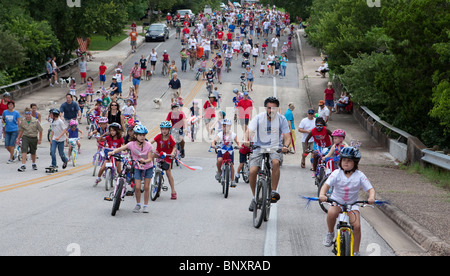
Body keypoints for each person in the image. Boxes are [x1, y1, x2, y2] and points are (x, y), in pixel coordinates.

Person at [319, 147, 376, 256]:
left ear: (355, 163)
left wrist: (371, 197)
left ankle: (356, 252)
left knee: (357, 226)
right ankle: (330, 233)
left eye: (349, 160)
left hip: (352, 205)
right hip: (337, 202)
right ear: (340, 161)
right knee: (331, 213)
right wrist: (322, 195)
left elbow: (371, 189)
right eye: (344, 160)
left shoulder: (360, 175)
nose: (346, 162)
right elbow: (326, 185)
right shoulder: (336, 173)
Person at [245, 97, 291, 210]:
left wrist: (285, 146)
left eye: (274, 108)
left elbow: (287, 136)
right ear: (266, 108)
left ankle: (273, 192)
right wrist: (246, 140)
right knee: (252, 170)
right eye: (269, 108)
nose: (271, 110)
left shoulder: (282, 119)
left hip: (275, 147)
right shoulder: (258, 118)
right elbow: (249, 130)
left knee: (275, 162)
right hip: (259, 146)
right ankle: (254, 197)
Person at [109, 125, 154, 213]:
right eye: (140, 135)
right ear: (135, 135)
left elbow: (150, 158)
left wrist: (144, 161)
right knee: (137, 187)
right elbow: (121, 148)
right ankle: (138, 204)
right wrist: (113, 152)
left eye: (144, 135)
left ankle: (145, 205)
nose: (142, 137)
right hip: (137, 167)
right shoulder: (131, 144)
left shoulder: (148, 145)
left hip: (148, 167)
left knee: (146, 187)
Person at [150, 121, 177, 200]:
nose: (164, 131)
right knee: (151, 155)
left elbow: (174, 147)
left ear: (169, 130)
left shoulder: (170, 138)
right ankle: (151, 167)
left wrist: (172, 153)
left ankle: (173, 191)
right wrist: (146, 146)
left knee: (168, 173)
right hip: (158, 153)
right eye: (163, 129)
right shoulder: (158, 136)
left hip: (167, 156)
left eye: (166, 129)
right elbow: (150, 142)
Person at [212, 119, 241, 187]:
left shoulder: (233, 134)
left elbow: (238, 142)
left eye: (227, 126)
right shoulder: (220, 134)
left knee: (231, 164)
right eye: (224, 126)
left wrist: (239, 146)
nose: (225, 128)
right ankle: (219, 172)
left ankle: (232, 180)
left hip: (230, 151)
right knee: (219, 160)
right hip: (221, 150)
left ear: (230, 127)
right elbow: (214, 141)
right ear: (222, 127)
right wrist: (214, 145)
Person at [16, 107, 43, 171]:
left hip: (33, 137)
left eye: (29, 114)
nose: (28, 116)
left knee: (33, 151)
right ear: (25, 114)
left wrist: (40, 139)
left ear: (31, 114)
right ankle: (23, 165)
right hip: (25, 137)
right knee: (24, 150)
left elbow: (40, 130)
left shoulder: (35, 121)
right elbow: (21, 131)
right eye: (26, 114)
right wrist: (18, 138)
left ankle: (34, 163)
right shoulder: (23, 121)